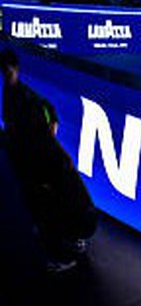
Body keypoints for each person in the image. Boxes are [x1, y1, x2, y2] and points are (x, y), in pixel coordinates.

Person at [1, 49, 96, 272]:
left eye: (9, 70)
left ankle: (64, 254)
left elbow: (49, 116)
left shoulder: (27, 100)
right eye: (3, 70)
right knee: (47, 204)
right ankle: (69, 238)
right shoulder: (10, 92)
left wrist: (55, 147)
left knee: (47, 207)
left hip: (39, 162)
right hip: (29, 160)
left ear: (16, 68)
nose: (6, 73)